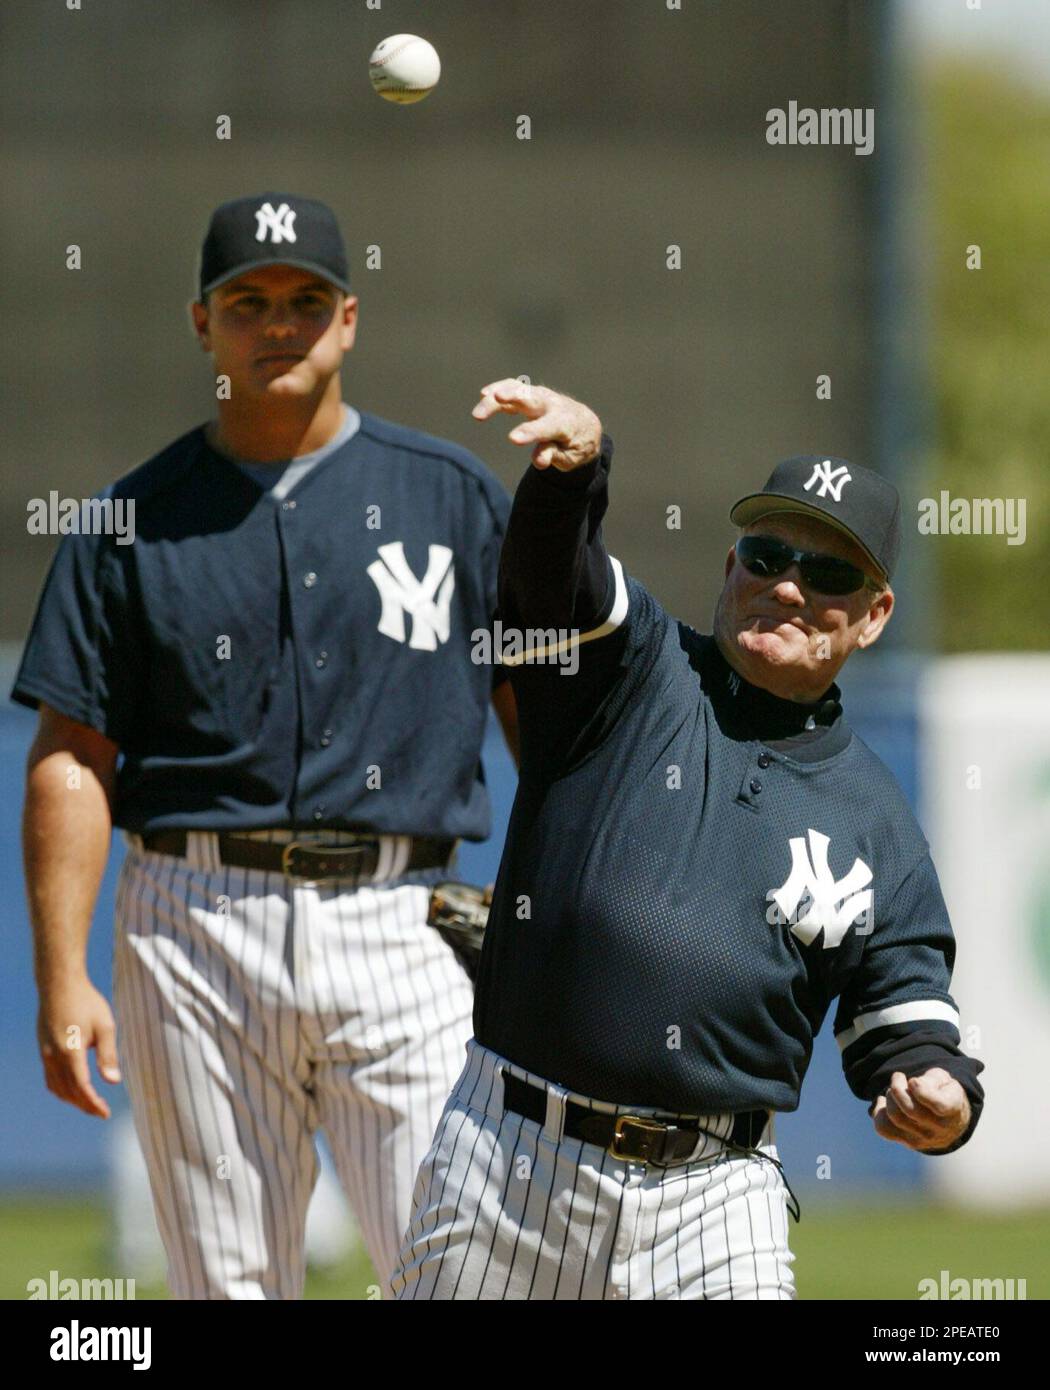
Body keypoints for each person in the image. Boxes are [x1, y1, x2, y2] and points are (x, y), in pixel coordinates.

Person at [15, 193, 518, 1300]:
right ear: (204, 323)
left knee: (459, 1275)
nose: (278, 323)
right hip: (194, 925)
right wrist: (63, 975)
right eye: (250, 302)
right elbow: (72, 757)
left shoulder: (449, 498)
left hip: (406, 921)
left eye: (305, 300)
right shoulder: (128, 522)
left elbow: (541, 721)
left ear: (350, 320)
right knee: (226, 1285)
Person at [390, 380, 985, 1301]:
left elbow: (905, 1016)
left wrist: (940, 1097)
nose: (789, 584)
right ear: (729, 566)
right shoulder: (632, 670)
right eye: (768, 553)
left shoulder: (876, 819)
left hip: (714, 1195)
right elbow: (547, 584)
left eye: (830, 574)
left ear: (873, 615)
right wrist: (573, 473)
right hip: (510, 1164)